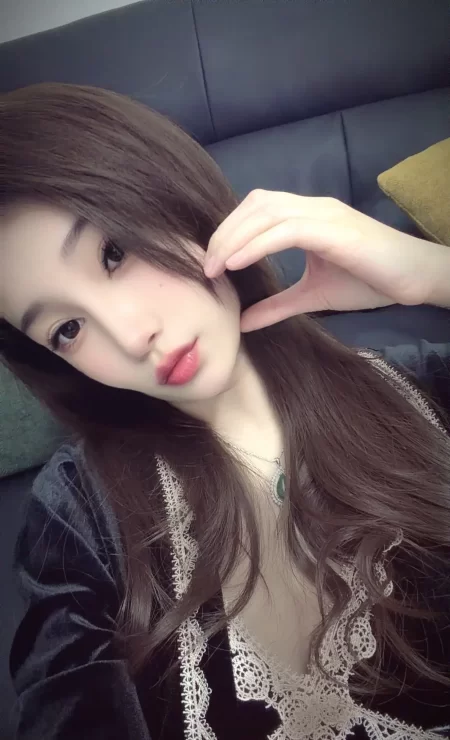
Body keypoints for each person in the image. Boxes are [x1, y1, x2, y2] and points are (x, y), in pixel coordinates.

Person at [0, 82, 449, 740]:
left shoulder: (416, 384)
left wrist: (432, 272)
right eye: (67, 329)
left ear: (169, 193)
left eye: (113, 253)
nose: (131, 336)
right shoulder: (76, 515)